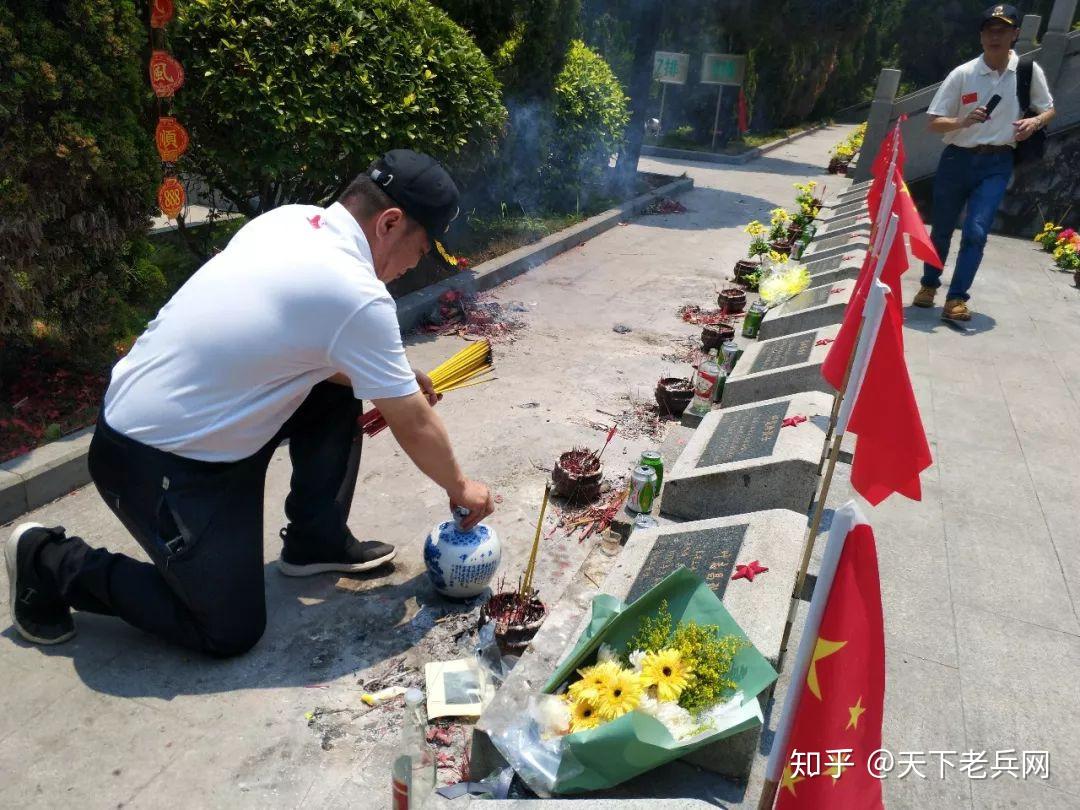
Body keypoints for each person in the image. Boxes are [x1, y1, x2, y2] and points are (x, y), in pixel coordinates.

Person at [4, 149, 495, 656]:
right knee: (228, 629)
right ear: (390, 222)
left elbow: (312, 349)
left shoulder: (289, 222)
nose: (415, 265)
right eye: (420, 249)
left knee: (340, 387)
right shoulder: (355, 293)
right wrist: (462, 487)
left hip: (180, 419)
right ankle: (50, 560)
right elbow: (413, 423)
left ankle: (314, 540)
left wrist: (388, 378)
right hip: (154, 460)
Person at [913, 4, 1055, 321]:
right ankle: (928, 284)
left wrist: (1035, 123)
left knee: (976, 230)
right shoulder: (963, 74)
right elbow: (933, 123)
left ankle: (956, 299)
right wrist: (963, 122)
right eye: (989, 29)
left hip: (997, 162)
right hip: (957, 160)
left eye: (1002, 29)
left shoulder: (1028, 72)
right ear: (980, 36)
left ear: (1015, 34)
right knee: (941, 230)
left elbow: (1048, 109)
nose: (995, 35)